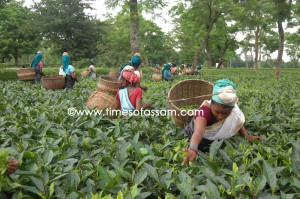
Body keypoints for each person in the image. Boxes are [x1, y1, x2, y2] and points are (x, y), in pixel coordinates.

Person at [182, 79, 262, 166]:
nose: (220, 116)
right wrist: (193, 147)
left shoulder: (234, 110)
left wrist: (246, 135)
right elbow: (198, 132)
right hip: (195, 136)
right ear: (211, 103)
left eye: (226, 113)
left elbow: (237, 120)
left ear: (232, 109)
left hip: (216, 141)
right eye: (217, 112)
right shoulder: (204, 111)